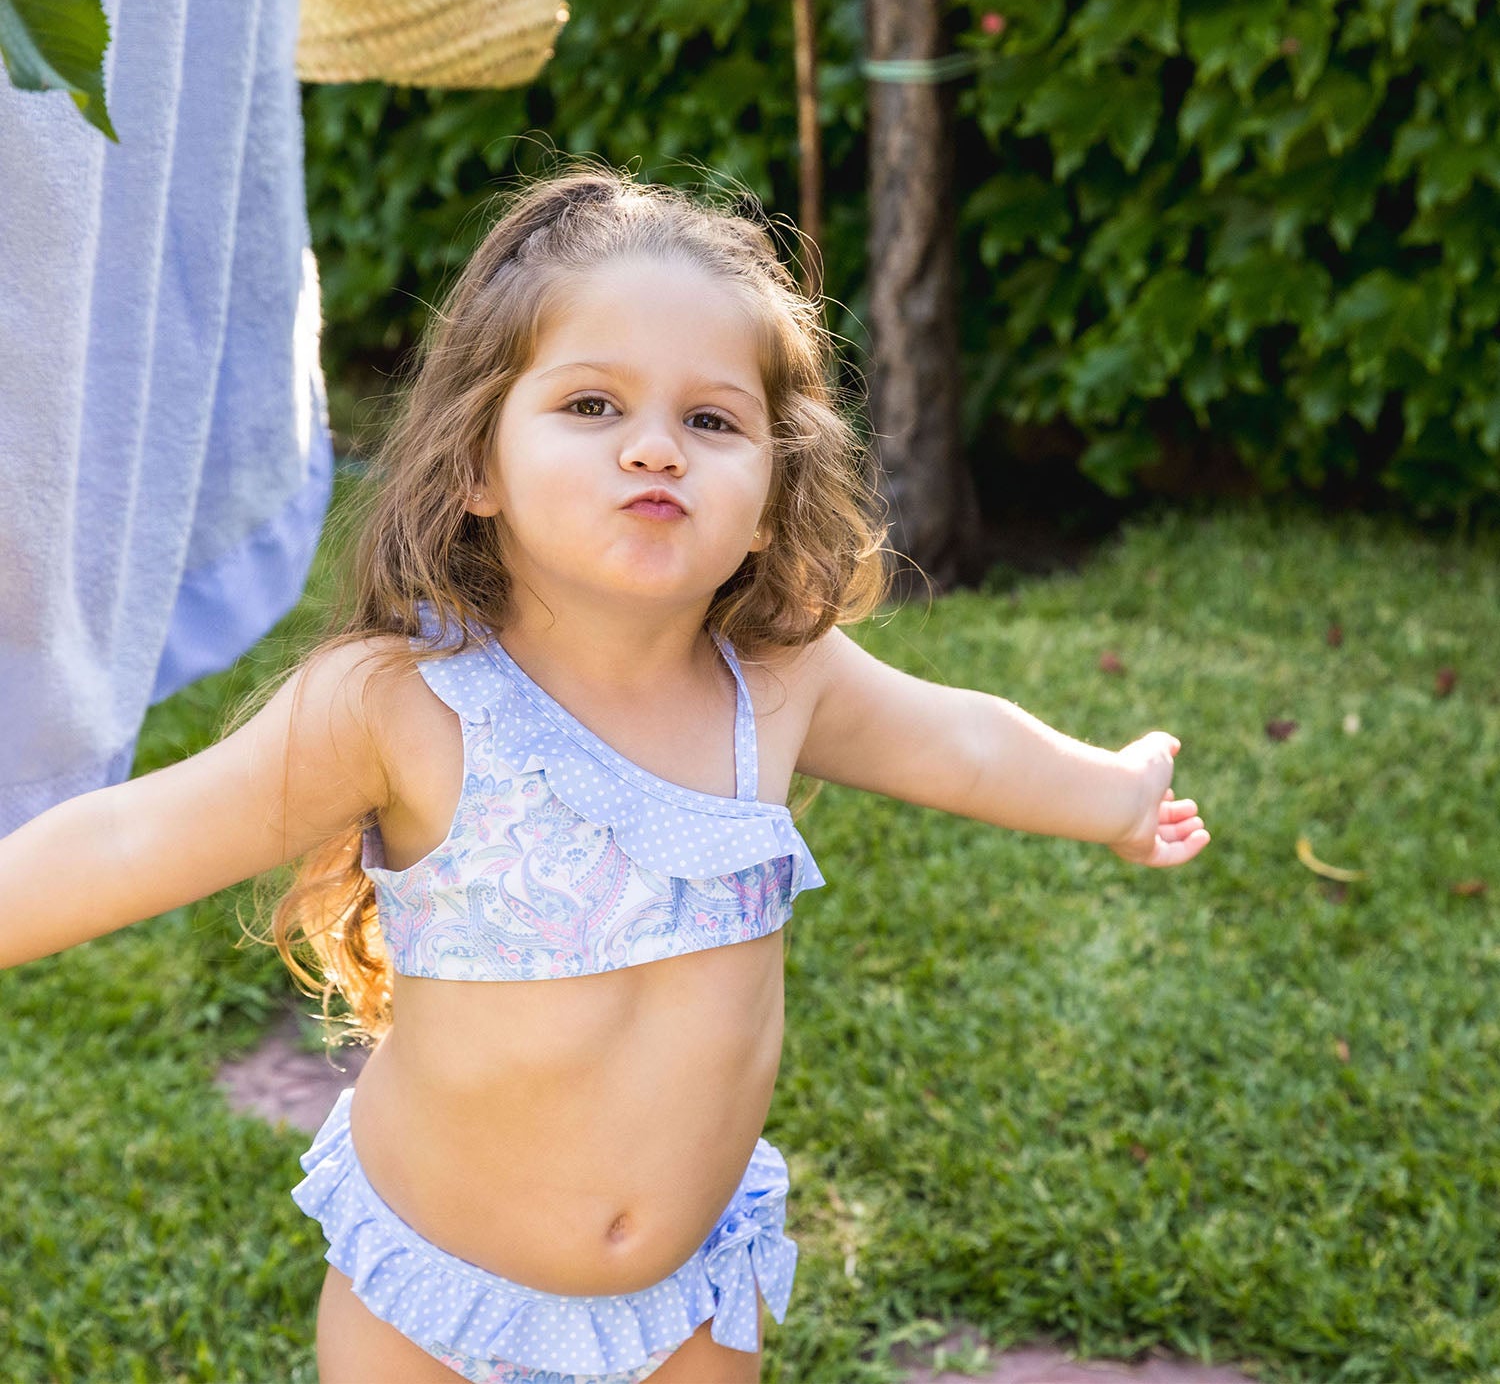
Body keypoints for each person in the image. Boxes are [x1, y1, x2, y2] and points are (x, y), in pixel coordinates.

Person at [0, 162, 1211, 1384]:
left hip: (684, 1307)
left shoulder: (779, 681)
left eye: (713, 420)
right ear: (475, 464)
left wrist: (1111, 792)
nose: (654, 451)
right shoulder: (402, 705)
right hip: (434, 1312)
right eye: (591, 406)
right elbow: (132, 840)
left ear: (770, 490)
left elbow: (964, 742)